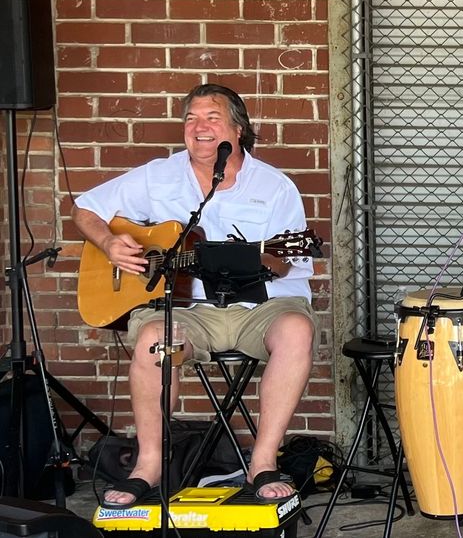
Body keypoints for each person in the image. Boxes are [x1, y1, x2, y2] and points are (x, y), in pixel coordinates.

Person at [72, 84, 315, 507]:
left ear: (238, 129)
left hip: (262, 305)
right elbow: (85, 209)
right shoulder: (157, 174)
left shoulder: (276, 186)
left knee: (296, 331)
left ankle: (262, 461)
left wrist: (255, 261)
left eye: (212, 118)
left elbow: (287, 262)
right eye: (191, 119)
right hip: (186, 311)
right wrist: (110, 244)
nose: (199, 127)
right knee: (152, 340)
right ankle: (148, 464)